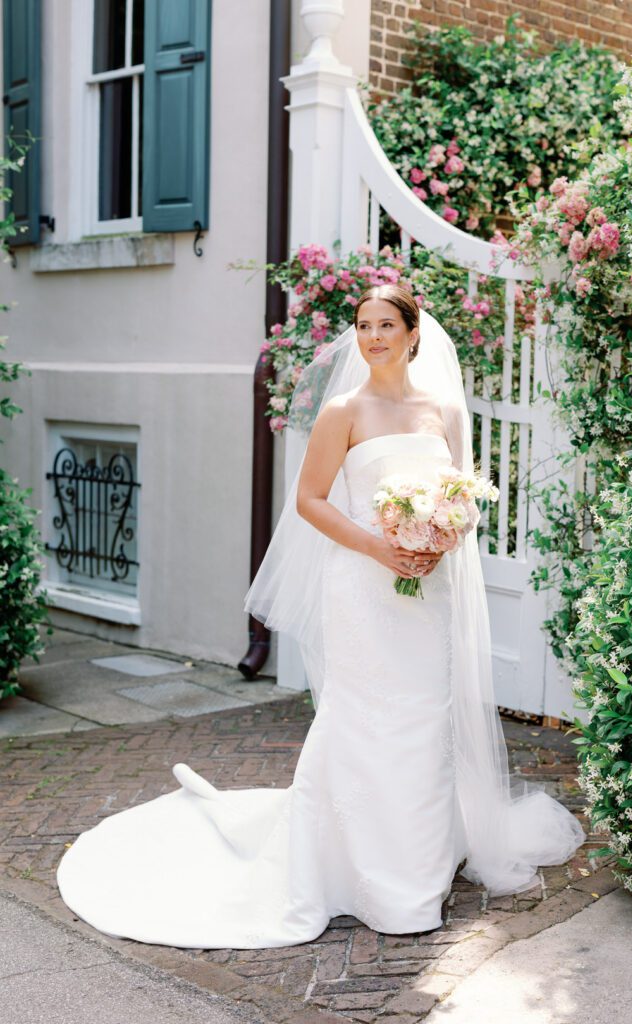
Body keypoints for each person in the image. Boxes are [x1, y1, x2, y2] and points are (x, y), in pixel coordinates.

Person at [56, 284, 585, 949]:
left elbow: (466, 494)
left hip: (429, 589)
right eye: (363, 326)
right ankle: (347, 870)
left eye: (385, 325)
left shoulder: (444, 409)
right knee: (363, 720)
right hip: (362, 586)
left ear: (413, 332)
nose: (372, 338)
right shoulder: (344, 410)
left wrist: (440, 535)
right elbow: (310, 500)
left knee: (423, 721)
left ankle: (413, 874)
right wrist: (379, 544)